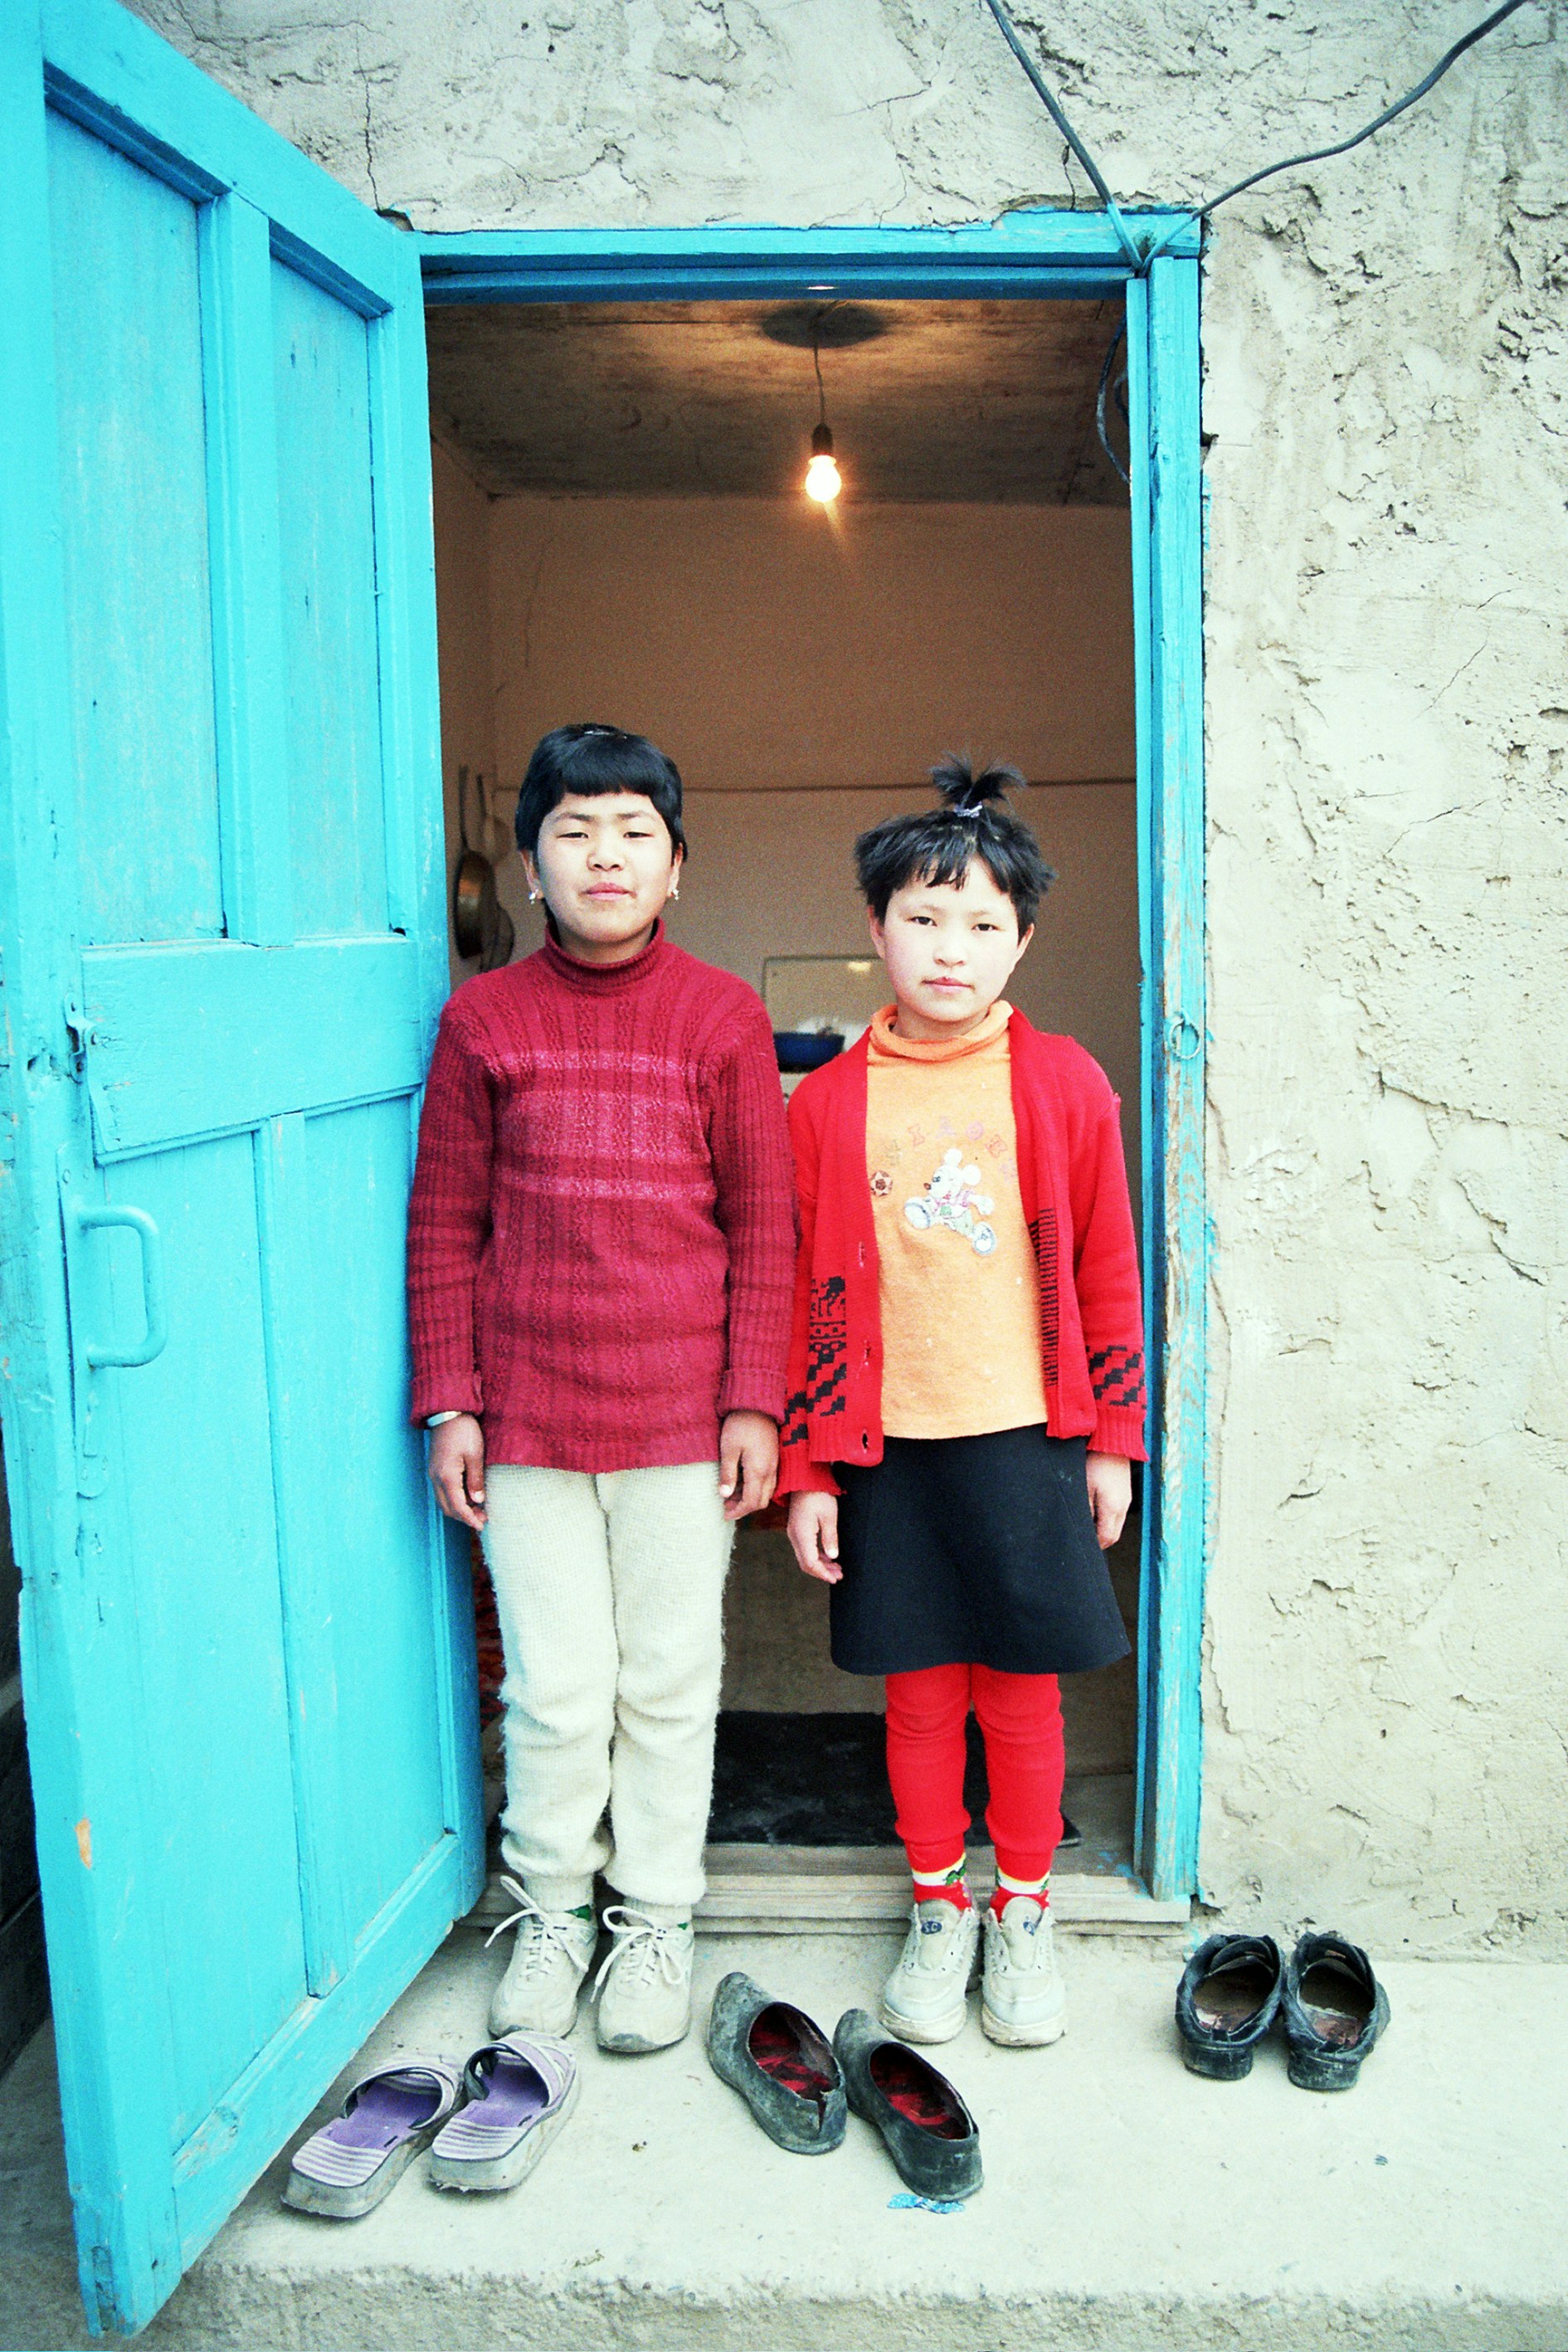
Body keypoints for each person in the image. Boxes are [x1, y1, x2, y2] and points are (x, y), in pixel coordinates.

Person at [407, 723, 795, 2054]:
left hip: (681, 1422)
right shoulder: (481, 1020)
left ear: (676, 866)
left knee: (671, 1680)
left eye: (634, 833)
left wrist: (755, 1402)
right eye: (573, 833)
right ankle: (555, 1909)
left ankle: (655, 1919)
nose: (604, 856)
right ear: (529, 868)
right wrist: (450, 1398)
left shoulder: (720, 1018)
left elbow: (767, 1227)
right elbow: (443, 1224)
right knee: (556, 1689)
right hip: (525, 1420)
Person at [779, 757, 1145, 2050]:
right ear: (875, 927)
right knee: (921, 1695)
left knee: (1022, 1690)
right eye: (923, 920)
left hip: (1026, 1438)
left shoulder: (1062, 1086)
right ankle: (939, 1904)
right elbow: (796, 1291)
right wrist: (808, 1468)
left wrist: (1113, 1440)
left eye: (983, 923)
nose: (951, 948)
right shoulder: (823, 1104)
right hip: (886, 1446)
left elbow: (1107, 1267)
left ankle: (1024, 1906)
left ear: (1023, 940)